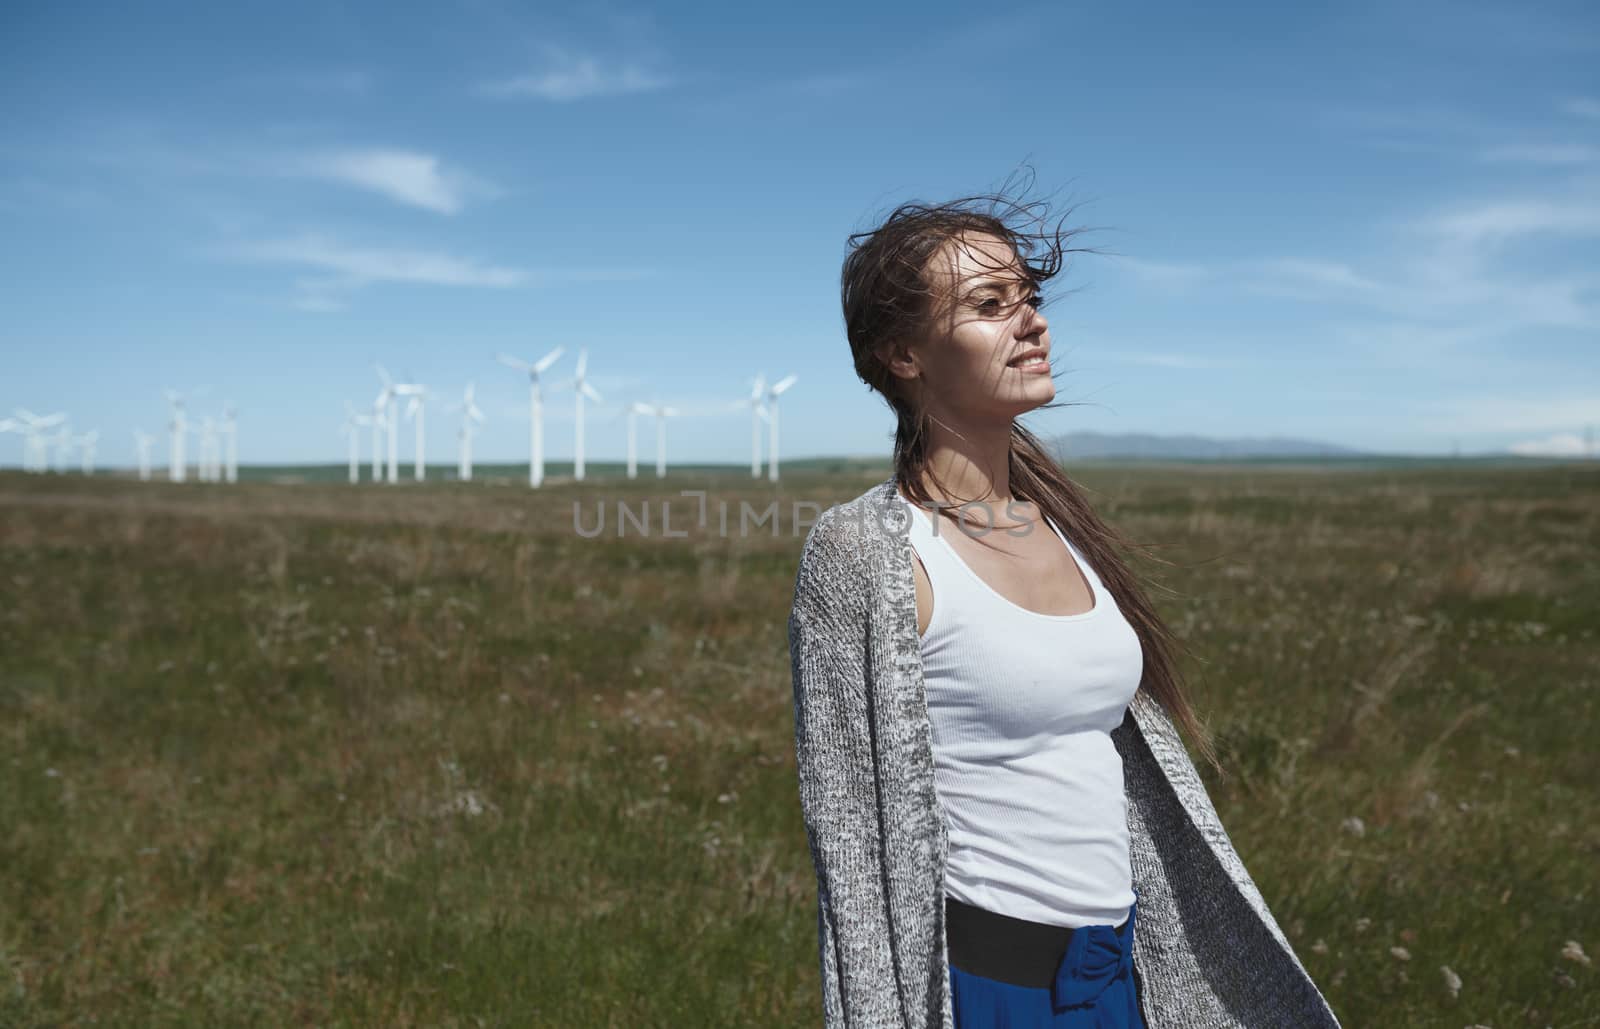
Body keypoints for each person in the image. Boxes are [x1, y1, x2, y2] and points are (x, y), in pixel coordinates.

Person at [787, 185, 1341, 1027]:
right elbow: (851, 848)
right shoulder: (865, 551)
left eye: (1030, 297)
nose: (1032, 321)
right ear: (905, 355)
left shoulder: (1062, 523)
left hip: (1126, 974)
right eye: (989, 302)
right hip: (991, 990)